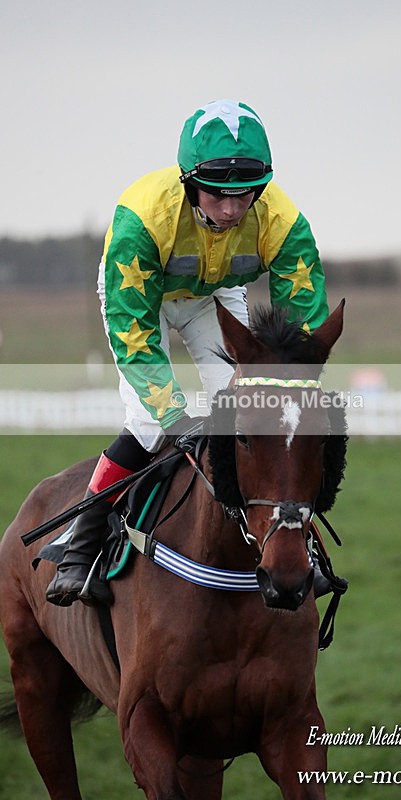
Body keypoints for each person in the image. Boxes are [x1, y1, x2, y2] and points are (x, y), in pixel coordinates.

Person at [46, 98, 329, 606]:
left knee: (257, 411)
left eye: (245, 196)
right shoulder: (141, 220)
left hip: (212, 296)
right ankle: (81, 547)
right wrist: (173, 412)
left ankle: (293, 544)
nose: (232, 210)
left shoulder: (284, 220)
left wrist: (291, 387)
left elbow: (302, 319)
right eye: (217, 195)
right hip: (142, 301)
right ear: (188, 181)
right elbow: (134, 334)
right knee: (150, 424)